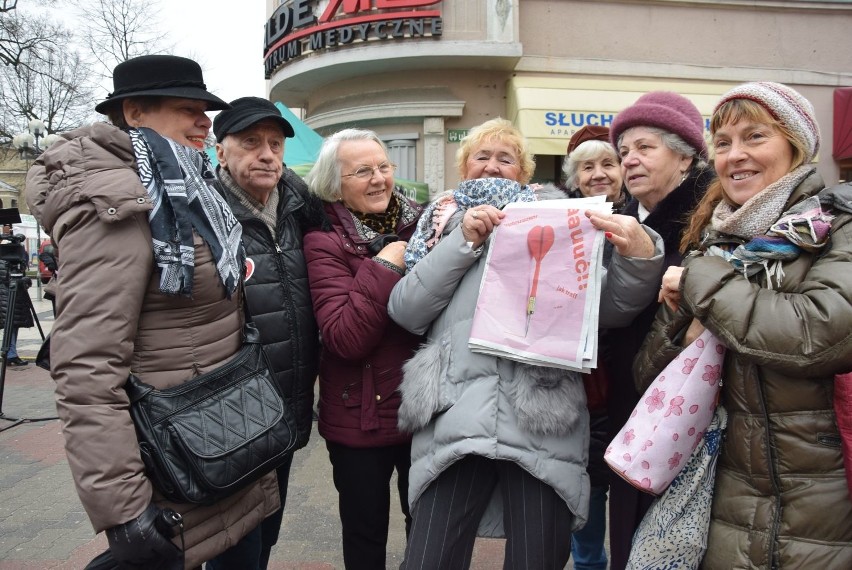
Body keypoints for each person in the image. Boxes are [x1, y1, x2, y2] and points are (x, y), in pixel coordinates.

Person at [25, 54, 279, 569]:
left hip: (224, 439)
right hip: (172, 462)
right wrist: (124, 511)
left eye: (206, 110)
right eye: (189, 109)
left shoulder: (187, 186)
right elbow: (87, 369)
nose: (205, 123)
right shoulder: (118, 206)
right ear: (135, 113)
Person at [387, 117, 665, 570]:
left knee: (536, 558)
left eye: (506, 158)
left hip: (541, 413)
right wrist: (463, 241)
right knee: (427, 558)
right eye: (482, 156)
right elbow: (406, 310)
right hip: (456, 410)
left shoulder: (563, 220)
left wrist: (640, 258)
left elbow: (609, 310)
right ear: (464, 165)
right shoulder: (438, 222)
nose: (493, 166)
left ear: (524, 171)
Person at [635, 82, 852, 569]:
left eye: (755, 137)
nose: (736, 156)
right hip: (725, 503)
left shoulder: (837, 226)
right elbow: (648, 379)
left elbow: (819, 335)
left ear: (796, 145)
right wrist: (678, 327)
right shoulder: (711, 241)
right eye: (724, 142)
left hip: (823, 507)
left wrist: (705, 285)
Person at [302, 128, 423, 569]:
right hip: (360, 418)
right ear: (336, 185)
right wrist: (387, 263)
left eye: (383, 167)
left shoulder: (424, 223)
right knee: (365, 535)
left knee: (429, 530)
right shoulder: (324, 243)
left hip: (422, 407)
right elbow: (344, 338)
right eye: (362, 171)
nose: (378, 179)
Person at [602, 90, 713, 569]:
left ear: (685, 155)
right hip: (628, 409)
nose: (630, 160)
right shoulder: (623, 218)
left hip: (682, 415)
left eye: (645, 148)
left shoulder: (707, 220)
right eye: (624, 151)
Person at [212, 97, 323, 568]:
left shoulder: (301, 209)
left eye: (275, 144)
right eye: (251, 142)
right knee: (234, 549)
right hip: (229, 422)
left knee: (266, 539)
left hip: (287, 413)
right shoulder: (203, 215)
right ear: (221, 151)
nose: (266, 155)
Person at [560, 125, 627, 570]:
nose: (599, 174)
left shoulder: (645, 217)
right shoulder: (561, 221)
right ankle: (588, 563)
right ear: (574, 176)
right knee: (586, 484)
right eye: (588, 166)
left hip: (632, 373)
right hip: (581, 379)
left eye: (609, 163)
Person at [0, 224, 32, 367]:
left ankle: (10, 352)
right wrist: (23, 280)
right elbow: (6, 277)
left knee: (13, 325)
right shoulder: (3, 259)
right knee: (11, 325)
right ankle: (10, 354)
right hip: (8, 295)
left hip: (11, 295)